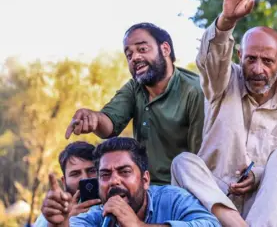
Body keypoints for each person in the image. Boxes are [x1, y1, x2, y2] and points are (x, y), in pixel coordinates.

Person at [170, 0, 277, 227]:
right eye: (251, 59)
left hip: (270, 206)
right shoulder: (221, 80)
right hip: (216, 203)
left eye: (267, 61)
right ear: (239, 57)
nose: (258, 69)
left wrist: (257, 176)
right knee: (183, 163)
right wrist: (225, 22)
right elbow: (209, 59)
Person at [64, 23, 204, 185]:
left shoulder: (194, 91)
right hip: (142, 189)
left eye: (142, 49)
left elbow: (202, 160)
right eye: (129, 55)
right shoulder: (134, 88)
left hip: (184, 190)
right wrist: (93, 118)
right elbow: (108, 124)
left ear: (165, 49)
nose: (135, 58)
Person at [45, 137, 220, 227]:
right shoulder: (96, 217)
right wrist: (58, 225)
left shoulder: (172, 200)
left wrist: (139, 226)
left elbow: (211, 225)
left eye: (125, 172)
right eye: (105, 174)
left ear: (145, 180)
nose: (114, 181)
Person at [37, 141, 100, 226]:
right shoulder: (51, 217)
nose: (85, 178)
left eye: (92, 171)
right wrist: (66, 220)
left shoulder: (115, 206)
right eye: (75, 174)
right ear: (64, 181)